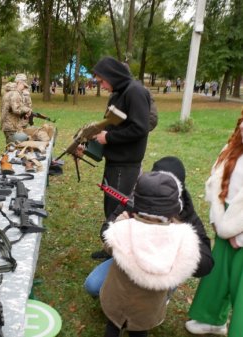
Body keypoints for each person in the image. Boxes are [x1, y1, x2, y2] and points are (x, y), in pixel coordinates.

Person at [85, 156, 214, 296]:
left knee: (148, 307)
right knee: (93, 285)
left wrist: (178, 244)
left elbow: (205, 265)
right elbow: (106, 230)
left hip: (161, 271)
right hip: (130, 261)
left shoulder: (186, 213)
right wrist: (124, 226)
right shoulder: (139, 198)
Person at [100, 171, 201, 337]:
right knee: (140, 331)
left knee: (112, 328)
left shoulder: (123, 229)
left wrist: (119, 221)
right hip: (149, 308)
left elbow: (109, 247)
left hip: (118, 299)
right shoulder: (182, 237)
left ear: (137, 202)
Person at [185, 110, 243, 336]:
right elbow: (216, 185)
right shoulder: (232, 150)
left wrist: (239, 235)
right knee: (218, 275)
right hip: (227, 219)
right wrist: (219, 220)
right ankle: (211, 319)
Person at [91, 56, 150, 219]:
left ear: (111, 76)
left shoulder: (135, 92)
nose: (101, 86)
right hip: (115, 163)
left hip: (125, 166)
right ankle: (110, 242)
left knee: (118, 212)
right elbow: (114, 123)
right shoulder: (120, 93)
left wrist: (109, 137)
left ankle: (115, 243)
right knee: (110, 207)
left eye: (102, 81)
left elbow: (140, 128)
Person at [0, 73, 32, 143]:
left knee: (11, 147)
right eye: (24, 86)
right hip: (11, 126)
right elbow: (16, 109)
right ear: (20, 83)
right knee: (12, 148)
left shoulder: (8, 92)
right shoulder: (15, 94)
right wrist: (27, 109)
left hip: (9, 125)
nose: (24, 88)